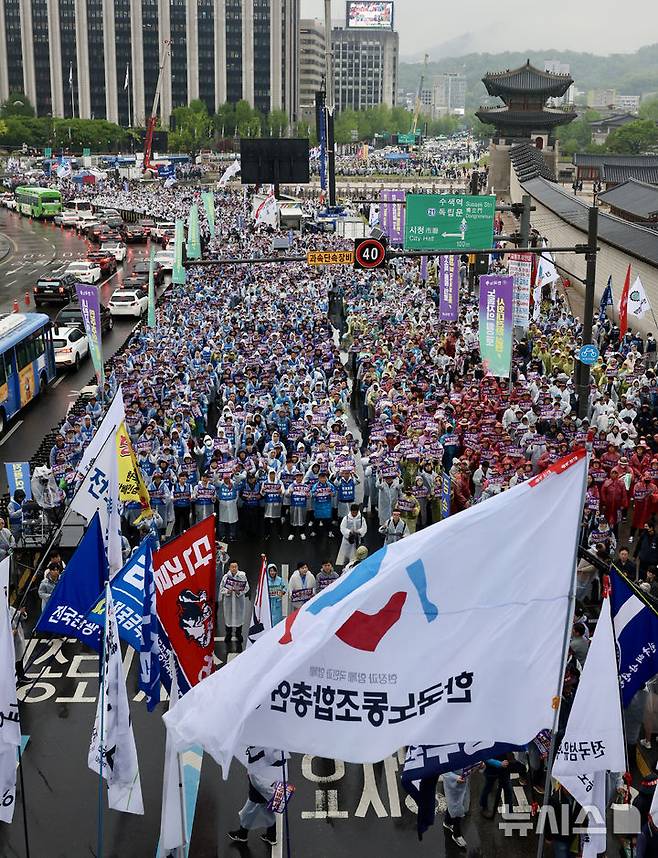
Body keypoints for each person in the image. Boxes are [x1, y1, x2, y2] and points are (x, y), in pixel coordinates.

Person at [228, 746, 287, 846]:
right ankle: (270, 836)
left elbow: (256, 777)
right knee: (264, 811)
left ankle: (243, 834)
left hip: (261, 790)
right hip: (270, 785)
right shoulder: (276, 747)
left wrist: (268, 792)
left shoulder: (256, 751)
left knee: (248, 812)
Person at [219, 560, 249, 643]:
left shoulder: (242, 576)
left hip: (239, 601)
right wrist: (227, 591)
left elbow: (247, 588)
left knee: (239, 618)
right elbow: (221, 589)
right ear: (229, 567)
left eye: (235, 566)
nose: (234, 568)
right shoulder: (225, 577)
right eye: (232, 567)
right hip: (229, 601)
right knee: (228, 618)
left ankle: (238, 634)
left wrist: (239, 591)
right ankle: (228, 634)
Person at [443, 770, 470, 849]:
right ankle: (457, 835)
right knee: (457, 810)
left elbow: (471, 763)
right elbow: (444, 770)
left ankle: (447, 822)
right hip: (452, 787)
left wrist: (479, 765)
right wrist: (455, 778)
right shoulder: (446, 757)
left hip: (464, 784)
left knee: (454, 807)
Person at [336, 503, 367, 568]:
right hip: (347, 541)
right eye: (353, 512)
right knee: (346, 556)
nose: (354, 514)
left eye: (355, 512)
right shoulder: (346, 518)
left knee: (356, 554)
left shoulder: (361, 518)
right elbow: (342, 528)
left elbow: (364, 528)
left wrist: (358, 532)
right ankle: (345, 567)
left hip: (357, 539)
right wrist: (349, 532)